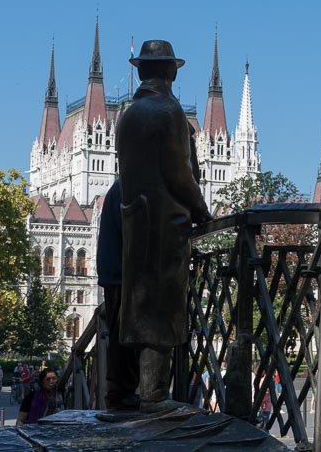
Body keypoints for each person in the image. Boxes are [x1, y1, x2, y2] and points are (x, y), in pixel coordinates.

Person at [116, 40, 212, 413]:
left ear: (141, 71)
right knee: (162, 306)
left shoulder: (129, 114)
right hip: (165, 223)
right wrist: (201, 209)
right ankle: (155, 395)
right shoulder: (168, 111)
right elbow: (178, 173)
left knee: (142, 305)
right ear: (170, 72)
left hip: (134, 222)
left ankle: (146, 390)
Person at [96, 178, 140, 411]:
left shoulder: (119, 187)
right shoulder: (130, 187)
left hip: (115, 270)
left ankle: (120, 392)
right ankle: (120, 393)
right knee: (125, 332)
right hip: (123, 272)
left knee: (121, 331)